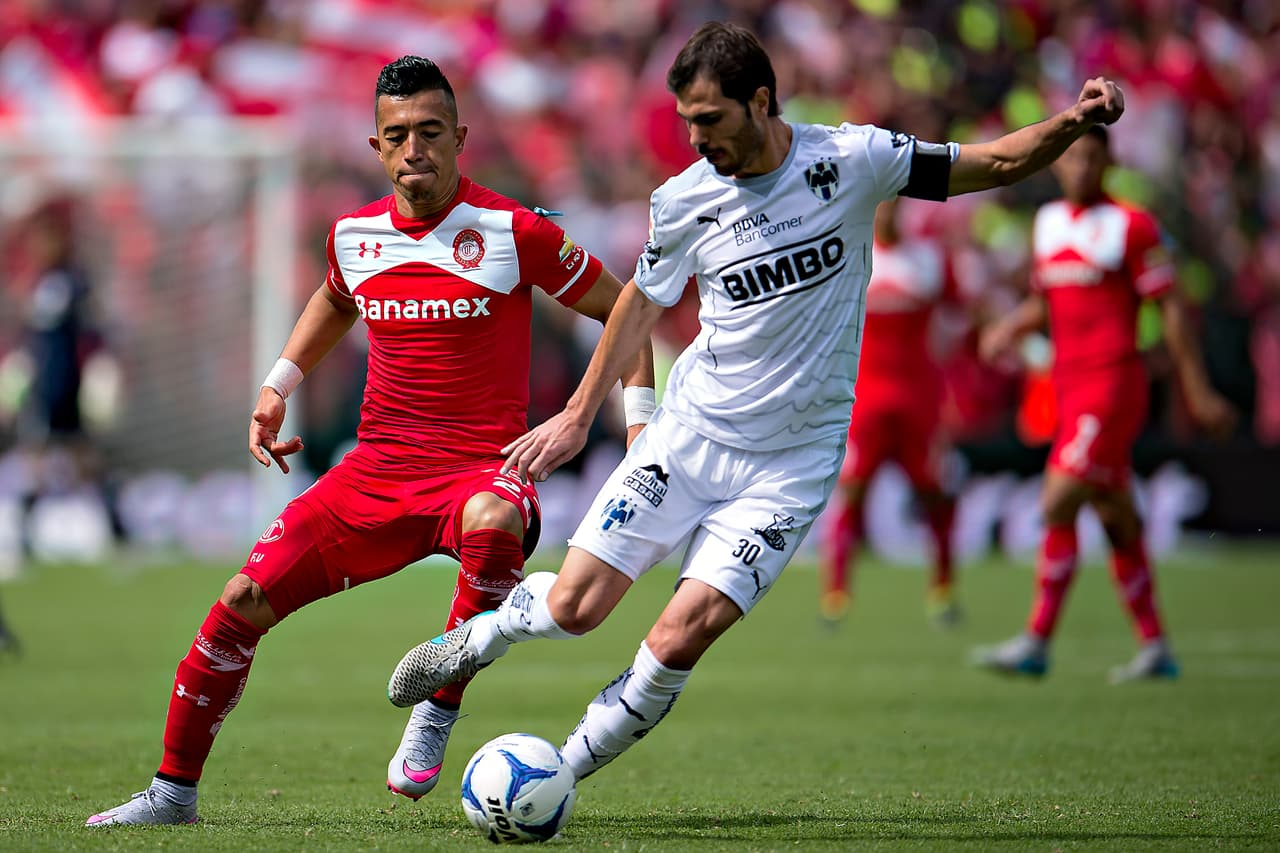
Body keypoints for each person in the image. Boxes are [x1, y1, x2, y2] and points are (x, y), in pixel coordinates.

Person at [387, 21, 1128, 783]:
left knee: (681, 636)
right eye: (686, 125)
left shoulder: (852, 160)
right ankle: (481, 638)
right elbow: (640, 300)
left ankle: (558, 777)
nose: (697, 140)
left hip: (792, 462)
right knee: (575, 608)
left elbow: (995, 161)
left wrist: (1072, 122)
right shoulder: (682, 200)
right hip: (692, 433)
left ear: (762, 101)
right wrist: (580, 415)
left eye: (710, 120)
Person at [85, 55, 653, 826]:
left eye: (429, 132)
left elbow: (629, 310)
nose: (413, 148)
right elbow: (333, 298)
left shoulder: (511, 231)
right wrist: (278, 384)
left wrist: (638, 427)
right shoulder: (355, 236)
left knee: (495, 522)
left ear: (460, 138)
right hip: (376, 471)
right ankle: (171, 793)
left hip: (481, 469)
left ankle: (439, 703)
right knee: (240, 599)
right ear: (376, 146)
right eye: (397, 135)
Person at [972, 125, 1235, 683]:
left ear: (1109, 161)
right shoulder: (1047, 226)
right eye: (1072, 160)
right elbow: (1048, 301)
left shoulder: (1132, 226)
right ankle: (1156, 646)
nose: (1082, 169)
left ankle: (1037, 642)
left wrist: (1198, 389)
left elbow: (1170, 312)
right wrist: (1009, 327)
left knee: (1058, 498)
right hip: (1068, 387)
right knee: (1116, 517)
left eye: (1093, 159)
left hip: (1113, 385)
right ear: (1056, 166)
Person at [819, 196, 960, 628]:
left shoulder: (930, 260)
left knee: (935, 492)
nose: (890, 213)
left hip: (921, 399)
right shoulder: (852, 259)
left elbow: (960, 317)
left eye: (896, 204)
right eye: (882, 205)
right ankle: (836, 595)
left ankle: (943, 590)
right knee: (854, 491)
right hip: (868, 399)